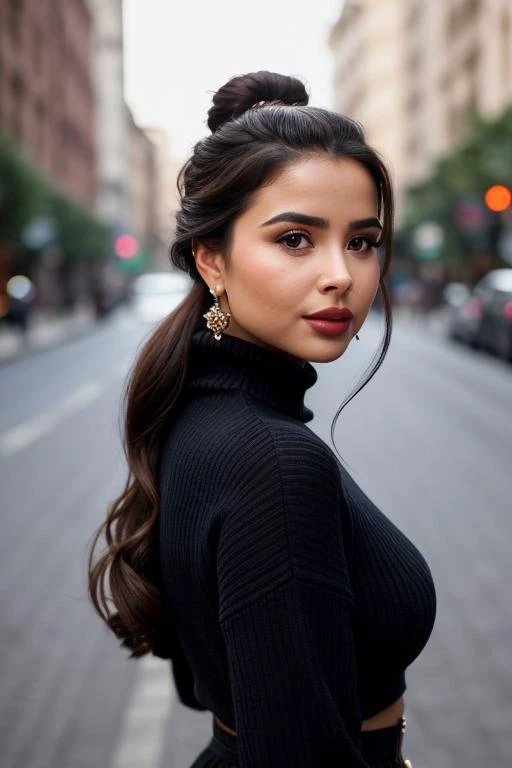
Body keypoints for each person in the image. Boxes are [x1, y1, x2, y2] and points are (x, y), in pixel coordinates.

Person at [87, 71, 436, 767]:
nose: (341, 273)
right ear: (212, 258)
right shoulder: (271, 461)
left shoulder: (201, 411)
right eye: (296, 240)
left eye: (362, 241)